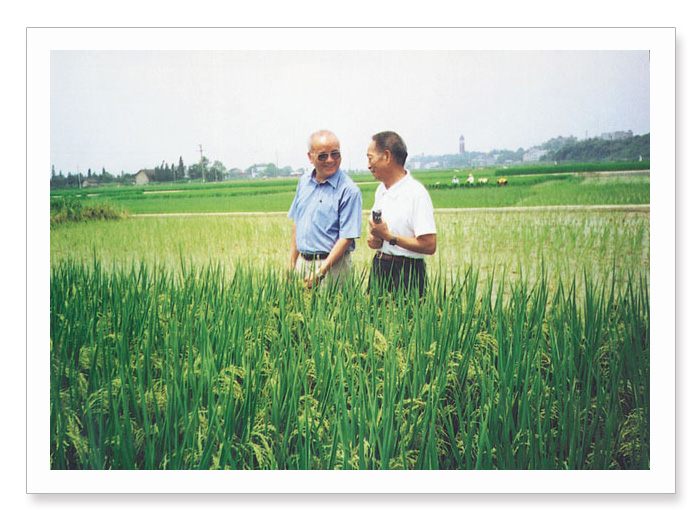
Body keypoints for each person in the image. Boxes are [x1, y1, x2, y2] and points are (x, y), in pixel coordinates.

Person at [287, 130, 363, 289]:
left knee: (333, 312)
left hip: (333, 267)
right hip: (303, 263)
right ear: (310, 157)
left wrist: (321, 271)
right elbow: (297, 223)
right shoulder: (304, 182)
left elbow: (347, 237)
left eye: (335, 154)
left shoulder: (348, 190)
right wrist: (291, 262)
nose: (330, 160)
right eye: (322, 156)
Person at [366, 131, 437, 297]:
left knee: (407, 321)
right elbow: (379, 236)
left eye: (370, 158)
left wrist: (390, 237)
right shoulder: (381, 190)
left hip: (407, 272)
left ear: (387, 156)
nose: (369, 165)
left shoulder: (416, 193)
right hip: (380, 267)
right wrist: (375, 240)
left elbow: (429, 245)